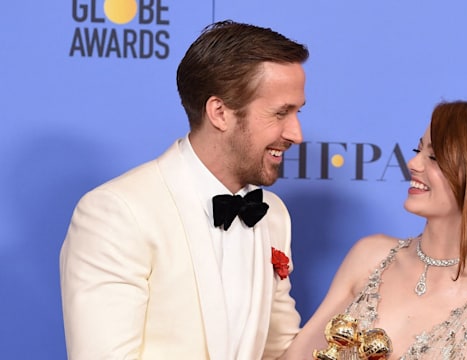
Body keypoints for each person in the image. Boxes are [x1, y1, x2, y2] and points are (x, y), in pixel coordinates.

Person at [60, 20, 309, 359]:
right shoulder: (118, 212)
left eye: (297, 112)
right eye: (280, 113)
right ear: (219, 113)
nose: (296, 133)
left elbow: (281, 350)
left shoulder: (274, 213)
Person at [282, 100, 467, 359]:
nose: (414, 164)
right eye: (417, 150)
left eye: (433, 157)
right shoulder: (370, 255)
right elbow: (298, 354)